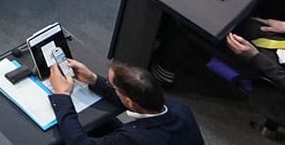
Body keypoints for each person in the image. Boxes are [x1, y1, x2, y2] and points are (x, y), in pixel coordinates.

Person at [45, 55, 203, 145]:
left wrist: (62, 95)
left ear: (129, 102)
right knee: (104, 124)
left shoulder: (134, 139)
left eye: (112, 86)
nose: (110, 85)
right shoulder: (180, 108)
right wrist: (93, 79)